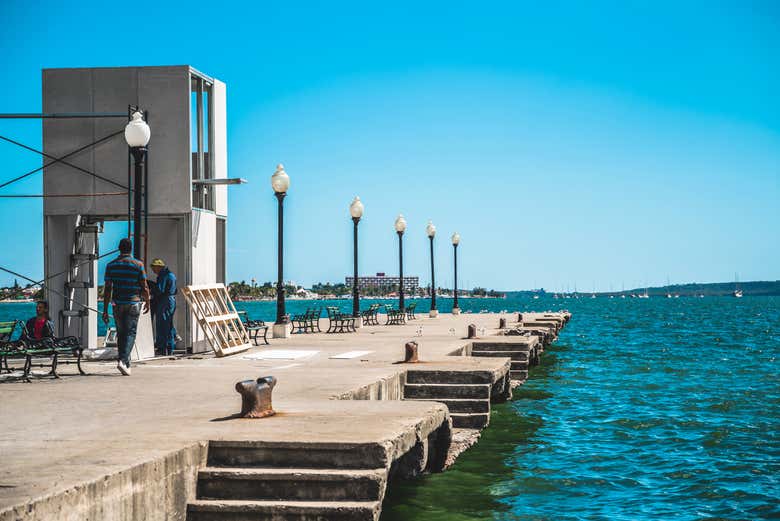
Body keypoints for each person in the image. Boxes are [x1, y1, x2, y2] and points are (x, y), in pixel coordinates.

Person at [102, 238, 149, 376]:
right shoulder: (138, 265)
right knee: (131, 333)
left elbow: (107, 289)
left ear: (119, 248)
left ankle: (125, 362)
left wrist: (105, 310)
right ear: (131, 248)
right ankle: (123, 360)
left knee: (121, 333)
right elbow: (144, 286)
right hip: (133, 302)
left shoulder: (111, 265)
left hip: (117, 303)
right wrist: (148, 301)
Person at [150, 258, 177, 356]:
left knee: (162, 324)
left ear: (158, 267)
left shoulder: (163, 275)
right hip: (171, 300)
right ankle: (170, 347)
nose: (153, 270)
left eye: (153, 268)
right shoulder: (171, 274)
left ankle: (162, 348)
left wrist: (151, 290)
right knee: (168, 324)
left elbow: (160, 290)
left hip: (165, 301)